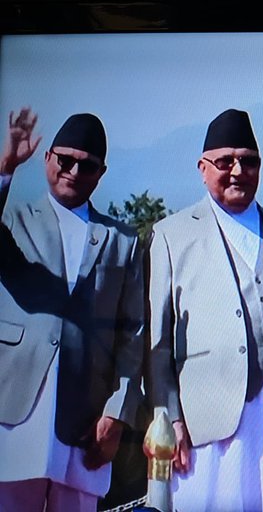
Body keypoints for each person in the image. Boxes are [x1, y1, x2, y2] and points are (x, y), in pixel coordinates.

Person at [147, 108, 263, 511]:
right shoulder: (173, 234)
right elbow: (156, 340)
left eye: (249, 161)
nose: (238, 170)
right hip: (204, 417)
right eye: (225, 162)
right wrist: (170, 419)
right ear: (203, 168)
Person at [0, 108, 144, 511]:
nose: (74, 171)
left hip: (85, 418)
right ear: (47, 158)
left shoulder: (122, 240)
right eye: (65, 160)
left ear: (101, 173)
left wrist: (117, 414)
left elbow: (134, 332)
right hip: (13, 406)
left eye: (87, 165)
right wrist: (6, 166)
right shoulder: (14, 218)